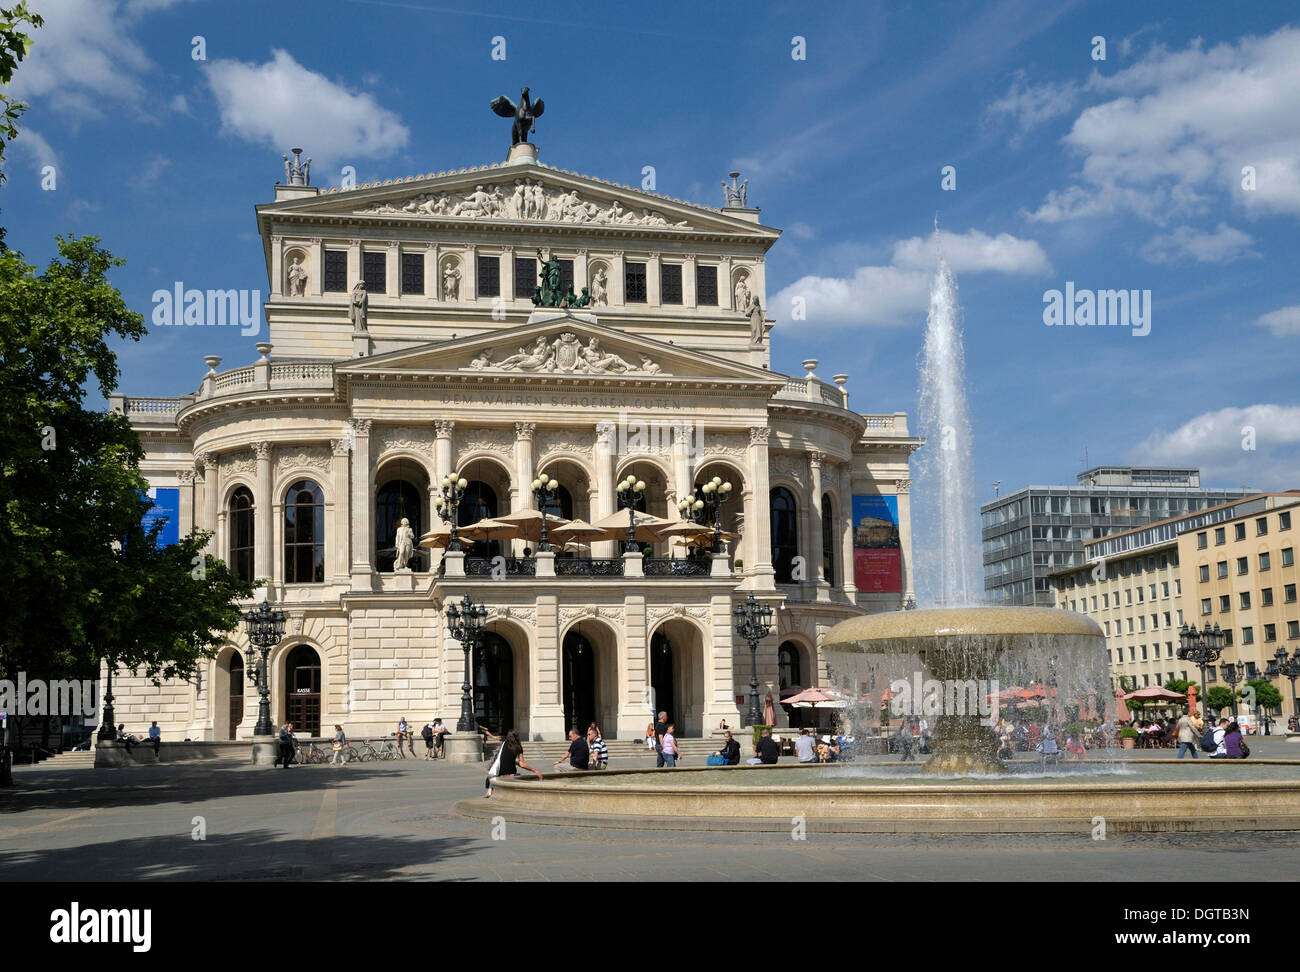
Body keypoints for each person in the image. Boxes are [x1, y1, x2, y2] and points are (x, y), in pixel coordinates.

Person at [486, 729, 543, 797]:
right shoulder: (518, 747)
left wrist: (513, 761)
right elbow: (522, 764)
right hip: (510, 771)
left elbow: (504, 757)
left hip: (499, 769)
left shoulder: (504, 743)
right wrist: (535, 770)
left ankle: (489, 790)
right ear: (517, 737)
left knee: (494, 775)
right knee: (520, 776)